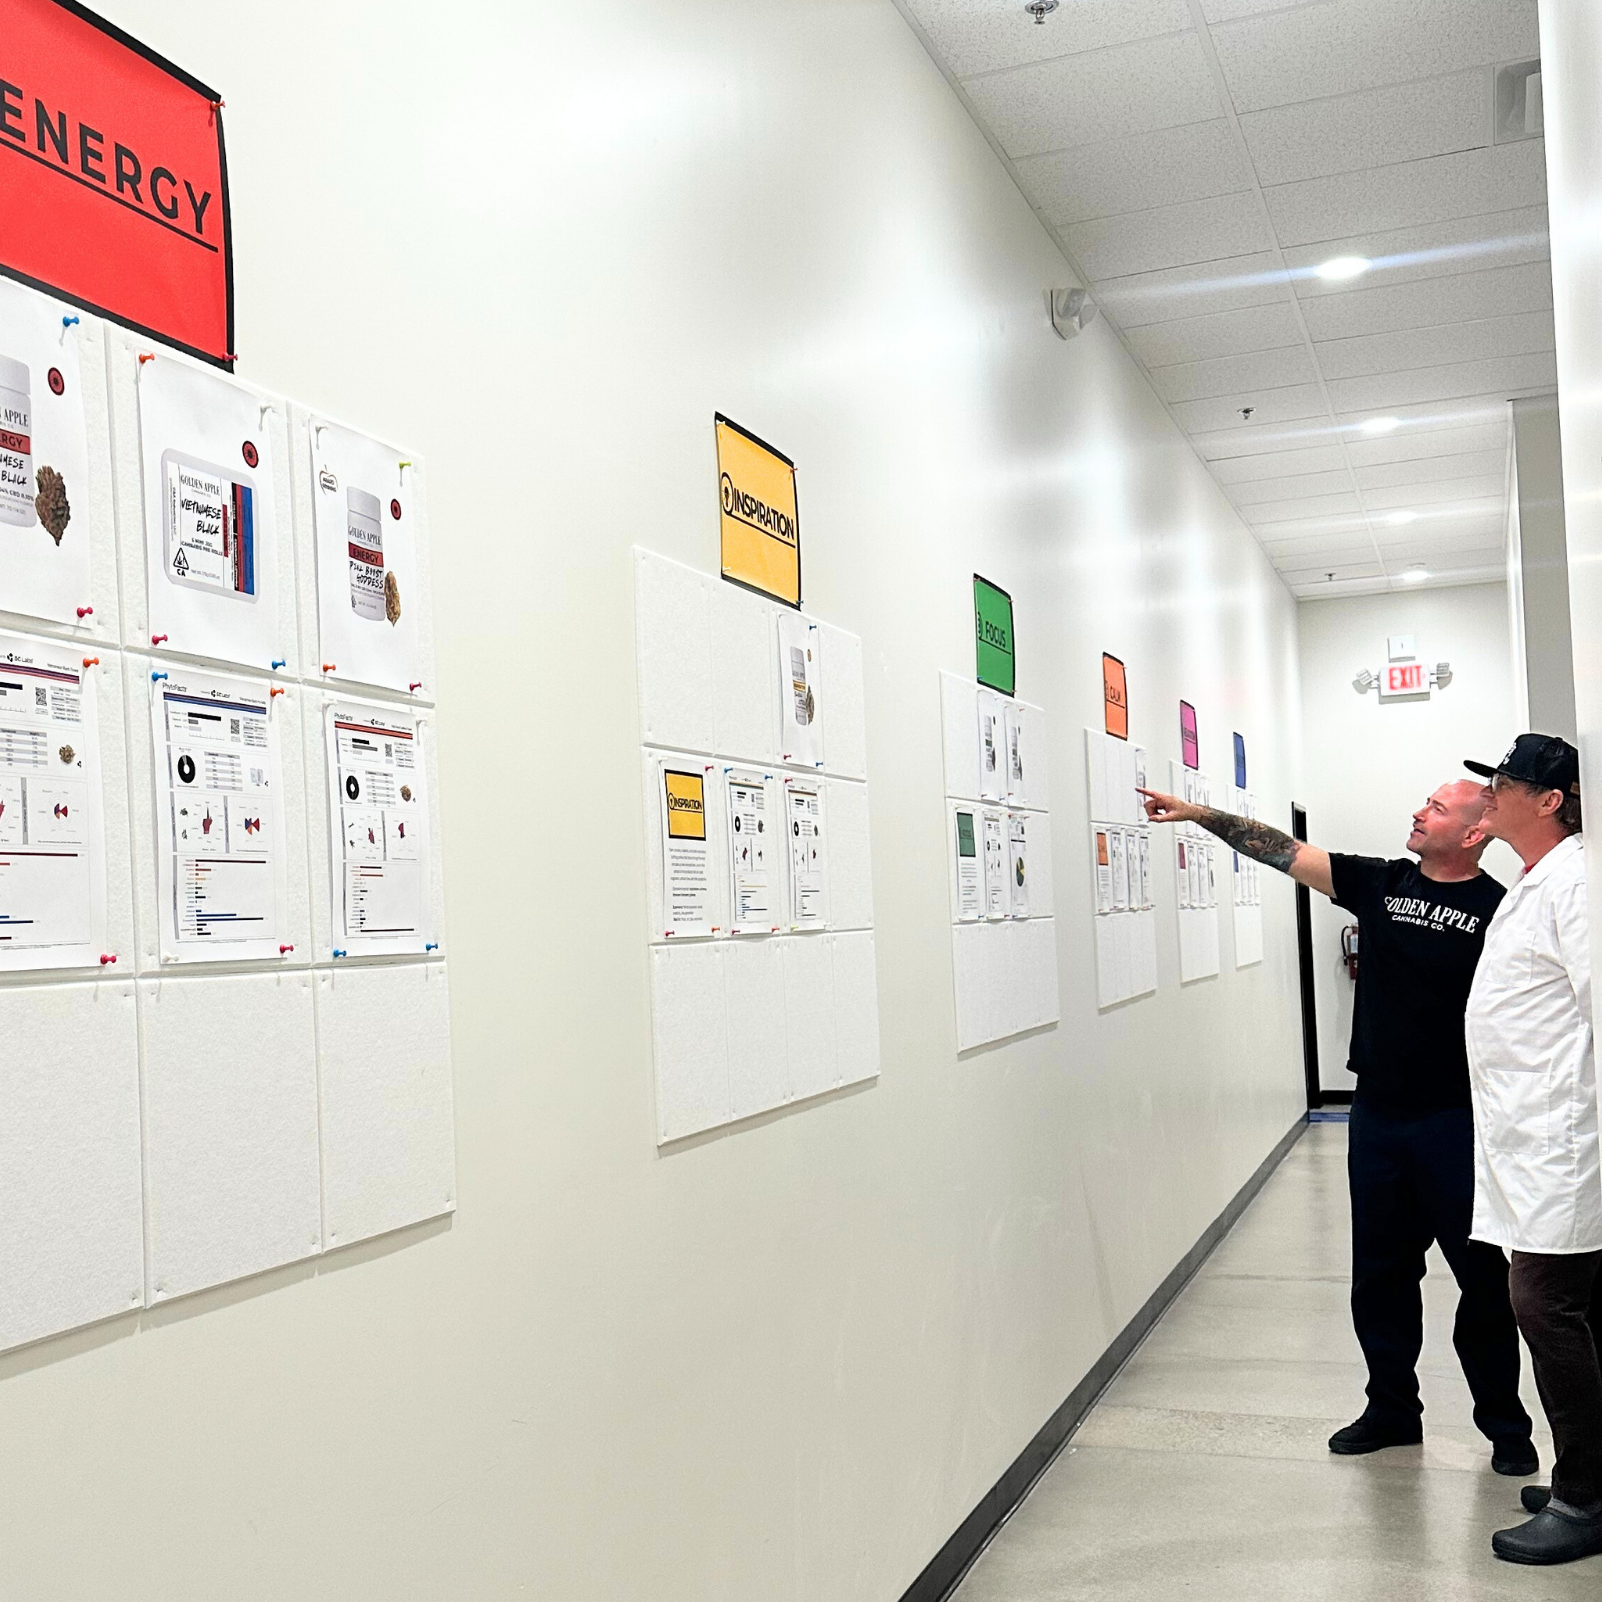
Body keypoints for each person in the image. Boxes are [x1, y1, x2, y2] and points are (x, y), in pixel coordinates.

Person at [1139, 778, 1534, 1473]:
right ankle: (1391, 1409)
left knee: (1481, 1279)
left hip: (1457, 1120)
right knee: (1379, 1274)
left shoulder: (1499, 912)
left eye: (1437, 808)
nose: (1418, 811)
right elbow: (1281, 851)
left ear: (1474, 834)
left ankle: (1505, 1427)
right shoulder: (1379, 883)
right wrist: (1199, 813)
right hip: (1376, 1114)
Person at [1458, 736, 1597, 1565]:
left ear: (1549, 799)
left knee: (1547, 1308)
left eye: (1503, 784)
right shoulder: (1539, 880)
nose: (1490, 795)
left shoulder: (1575, 883)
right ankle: (1592, 1472)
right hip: (1532, 1140)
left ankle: (1584, 1499)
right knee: (1573, 1311)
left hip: (1562, 1142)